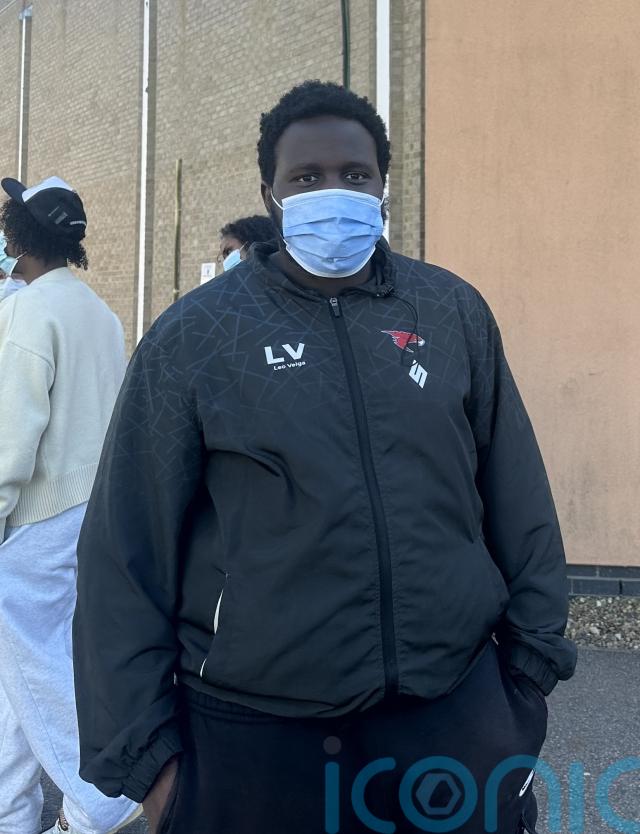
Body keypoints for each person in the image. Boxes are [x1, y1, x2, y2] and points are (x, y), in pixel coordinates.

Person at [73, 82, 577, 834]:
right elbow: (125, 549)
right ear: (270, 195)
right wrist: (152, 768)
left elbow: (517, 495)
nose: (333, 192)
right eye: (306, 178)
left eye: (355, 174)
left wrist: (525, 681)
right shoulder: (198, 337)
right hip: (255, 742)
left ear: (382, 187)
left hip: (454, 718)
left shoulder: (450, 312)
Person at [0, 176, 141, 834]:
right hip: (92, 511)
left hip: (38, 519)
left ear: (21, 236)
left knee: (39, 668)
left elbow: (11, 439)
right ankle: (12, 812)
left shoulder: (30, 313)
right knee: (19, 675)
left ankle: (100, 801)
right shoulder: (99, 312)